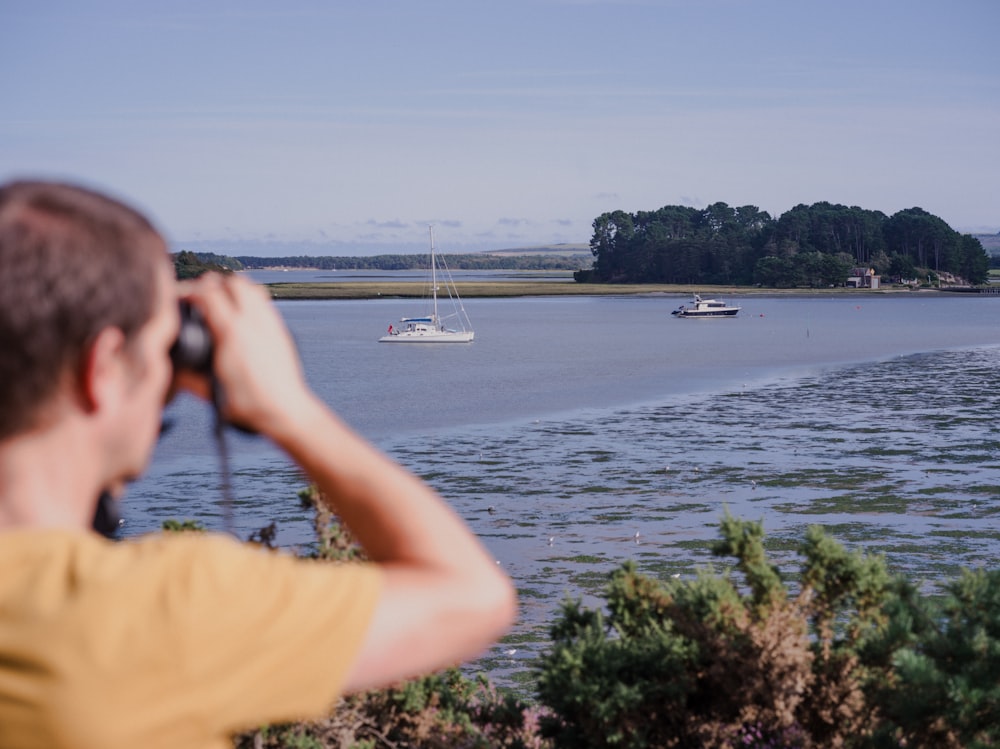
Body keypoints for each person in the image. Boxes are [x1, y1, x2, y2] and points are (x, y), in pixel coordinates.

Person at [0, 180, 516, 748]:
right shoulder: (156, 610)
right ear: (101, 369)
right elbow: (471, 597)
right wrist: (288, 406)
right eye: (163, 351)